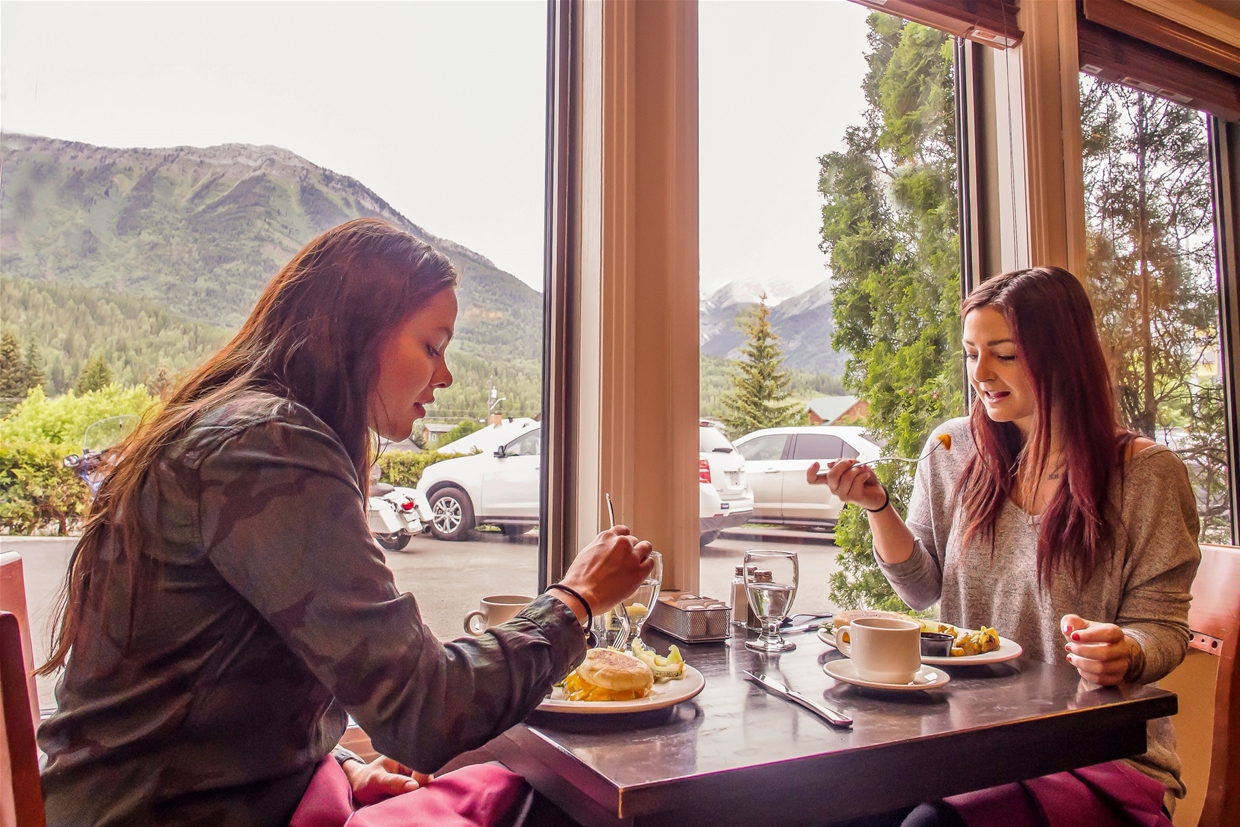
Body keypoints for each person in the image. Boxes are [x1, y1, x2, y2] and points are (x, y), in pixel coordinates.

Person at [35, 218, 654, 827]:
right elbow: (426, 711)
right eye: (432, 347)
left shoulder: (243, 430)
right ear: (357, 335)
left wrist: (332, 762)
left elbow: (210, 686)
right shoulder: (268, 447)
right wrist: (576, 599)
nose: (445, 375)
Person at [809, 266, 1200, 827]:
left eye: (1004, 354)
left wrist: (1126, 650)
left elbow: (1163, 630)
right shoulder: (951, 448)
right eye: (971, 354)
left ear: (1063, 355)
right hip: (969, 740)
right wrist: (878, 507)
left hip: (1096, 753)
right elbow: (921, 590)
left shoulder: (1145, 476)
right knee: (831, 807)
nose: (981, 373)